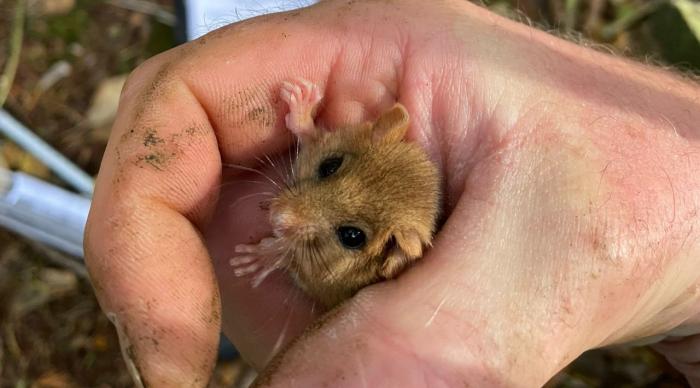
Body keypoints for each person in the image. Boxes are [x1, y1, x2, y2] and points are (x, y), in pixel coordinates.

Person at [83, 0, 700, 386]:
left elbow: (326, 284)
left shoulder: (371, 270)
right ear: (383, 130)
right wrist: (301, 127)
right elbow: (323, 152)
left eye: (351, 235)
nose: (291, 209)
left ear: (393, 256)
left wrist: (285, 252)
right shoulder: (364, 145)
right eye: (327, 172)